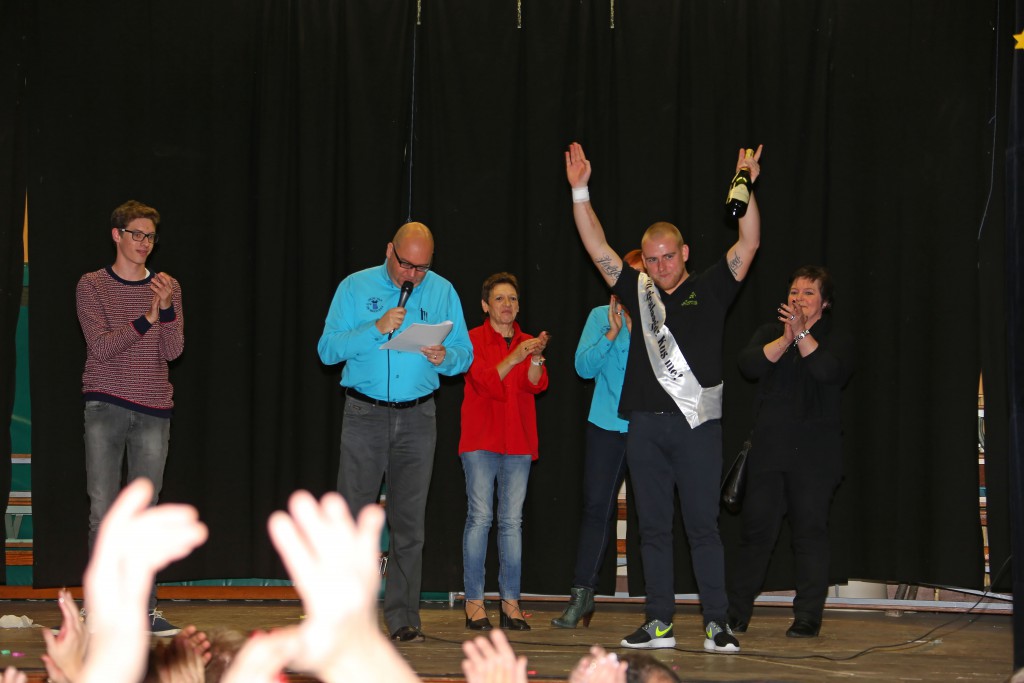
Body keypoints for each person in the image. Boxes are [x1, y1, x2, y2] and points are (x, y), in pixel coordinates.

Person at [564, 141, 762, 652]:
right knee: (650, 529)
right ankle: (659, 623)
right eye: (651, 260)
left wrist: (746, 183)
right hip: (645, 427)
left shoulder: (714, 287)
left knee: (702, 527)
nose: (660, 266)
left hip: (698, 426)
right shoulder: (637, 291)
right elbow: (597, 247)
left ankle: (717, 623)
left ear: (685, 253)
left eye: (668, 257)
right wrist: (580, 190)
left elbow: (750, 242)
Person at [317, 221, 473, 643]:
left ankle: (403, 617)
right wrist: (375, 328)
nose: (413, 276)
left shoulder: (442, 291)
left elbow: (465, 354)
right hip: (364, 415)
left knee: (409, 524)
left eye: (421, 268)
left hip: (418, 418)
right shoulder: (354, 287)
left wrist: (447, 356)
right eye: (406, 265)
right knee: (352, 521)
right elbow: (327, 350)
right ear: (390, 250)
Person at [726, 266, 854, 638]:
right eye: (794, 291)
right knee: (756, 534)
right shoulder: (770, 333)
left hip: (816, 457)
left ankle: (808, 616)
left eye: (809, 293)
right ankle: (736, 614)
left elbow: (829, 372)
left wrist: (802, 335)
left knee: (810, 534)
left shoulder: (837, 337)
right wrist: (786, 339)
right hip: (769, 452)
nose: (799, 298)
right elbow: (748, 365)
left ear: (825, 303)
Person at [76, 199, 185, 636]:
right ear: (117, 235)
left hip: (155, 408)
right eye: (136, 234)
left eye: (150, 237)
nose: (144, 243)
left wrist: (168, 309)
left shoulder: (166, 286)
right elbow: (101, 347)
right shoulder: (92, 285)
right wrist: (147, 317)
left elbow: (174, 350)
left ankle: (143, 609)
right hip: (105, 404)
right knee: (104, 510)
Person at [552, 249, 643, 629]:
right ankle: (582, 596)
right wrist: (612, 332)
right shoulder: (598, 317)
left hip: (649, 427)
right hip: (606, 425)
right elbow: (582, 367)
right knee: (596, 511)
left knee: (654, 516)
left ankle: (659, 604)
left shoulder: (662, 319)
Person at [459, 273, 549, 632]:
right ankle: (474, 602)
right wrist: (516, 356)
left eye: (512, 299)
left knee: (512, 522)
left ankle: (511, 603)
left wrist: (537, 358)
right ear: (486, 305)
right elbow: (483, 382)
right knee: (480, 518)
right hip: (481, 441)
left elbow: (536, 385)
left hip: (519, 441)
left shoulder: (528, 341)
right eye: (500, 299)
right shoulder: (471, 339)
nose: (507, 305)